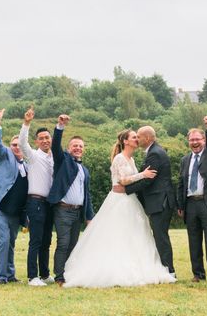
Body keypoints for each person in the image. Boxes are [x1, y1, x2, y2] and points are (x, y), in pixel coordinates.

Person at [63, 129, 175, 288]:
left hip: (130, 200)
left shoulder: (132, 159)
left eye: (138, 137)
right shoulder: (119, 158)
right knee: (118, 234)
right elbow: (122, 180)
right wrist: (143, 174)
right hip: (119, 201)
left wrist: (141, 176)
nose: (137, 139)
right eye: (134, 137)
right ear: (125, 141)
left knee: (134, 234)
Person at [177, 115, 207, 283]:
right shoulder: (185, 160)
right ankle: (198, 274)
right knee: (194, 240)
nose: (195, 142)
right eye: (192, 140)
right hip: (190, 204)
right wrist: (180, 205)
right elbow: (181, 183)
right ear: (188, 142)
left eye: (197, 139)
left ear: (204, 140)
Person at [123, 125, 177, 278]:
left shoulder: (155, 154)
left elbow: (148, 180)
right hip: (159, 201)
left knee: (161, 236)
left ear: (147, 138)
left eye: (138, 136)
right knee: (160, 235)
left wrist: (127, 190)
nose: (137, 139)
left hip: (160, 201)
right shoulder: (154, 152)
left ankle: (169, 271)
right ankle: (165, 269)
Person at [0, 109, 28, 284]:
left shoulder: (27, 165)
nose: (17, 147)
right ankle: (2, 276)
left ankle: (10, 274)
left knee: (11, 242)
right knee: (3, 239)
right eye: (14, 144)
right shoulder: (4, 155)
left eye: (19, 144)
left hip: (15, 211)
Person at [49, 114, 94, 286]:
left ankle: (69, 272)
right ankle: (59, 276)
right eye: (75, 145)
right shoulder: (63, 160)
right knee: (63, 242)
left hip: (78, 212)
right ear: (69, 149)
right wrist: (60, 126)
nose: (78, 148)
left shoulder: (85, 170)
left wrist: (89, 216)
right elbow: (55, 146)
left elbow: (86, 194)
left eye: (80, 146)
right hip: (63, 210)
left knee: (73, 245)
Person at [18, 107, 55, 287]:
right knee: (36, 240)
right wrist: (27, 123)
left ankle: (45, 274)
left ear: (51, 139)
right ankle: (32, 276)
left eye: (47, 137)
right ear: (37, 141)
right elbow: (22, 143)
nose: (45, 140)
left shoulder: (54, 157)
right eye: (41, 138)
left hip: (50, 204)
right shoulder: (33, 156)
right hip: (36, 202)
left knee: (47, 240)